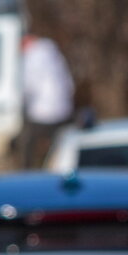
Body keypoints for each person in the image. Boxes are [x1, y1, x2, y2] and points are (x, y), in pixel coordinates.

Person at [14, 34, 75, 169]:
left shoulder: (33, 56)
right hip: (63, 108)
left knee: (28, 143)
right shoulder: (53, 52)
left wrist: (22, 101)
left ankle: (28, 170)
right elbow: (69, 82)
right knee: (58, 143)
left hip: (43, 110)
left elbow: (30, 85)